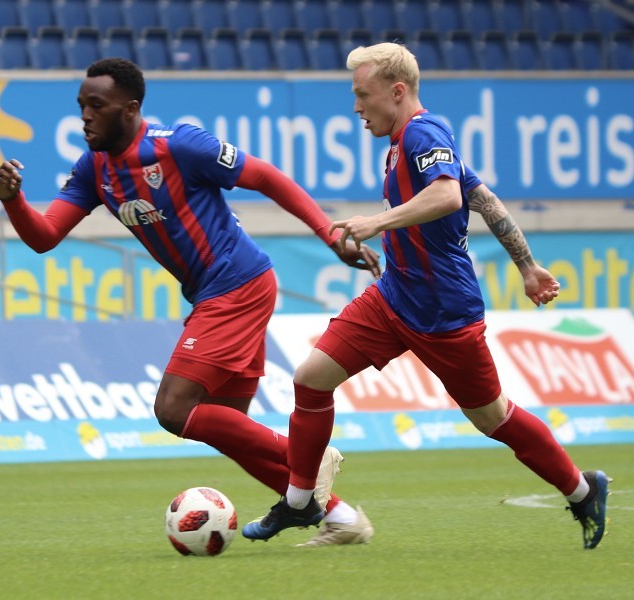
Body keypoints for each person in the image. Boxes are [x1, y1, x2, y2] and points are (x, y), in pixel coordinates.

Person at [0, 57, 378, 546]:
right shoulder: (95, 169)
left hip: (236, 283)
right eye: (81, 106)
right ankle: (341, 519)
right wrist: (13, 199)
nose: (85, 116)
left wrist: (329, 233)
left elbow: (266, 177)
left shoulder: (179, 145)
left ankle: (308, 459)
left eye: (97, 105)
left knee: (174, 409)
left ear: (129, 108)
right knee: (226, 429)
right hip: (217, 292)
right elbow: (45, 235)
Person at [242, 43, 611, 550]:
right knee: (310, 379)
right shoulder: (405, 140)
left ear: (397, 92)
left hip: (444, 312)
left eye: (362, 94)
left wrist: (378, 221)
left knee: (493, 418)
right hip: (394, 297)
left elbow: (449, 195)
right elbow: (480, 195)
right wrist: (526, 265)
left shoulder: (422, 131)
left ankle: (583, 489)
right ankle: (302, 502)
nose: (356, 107)